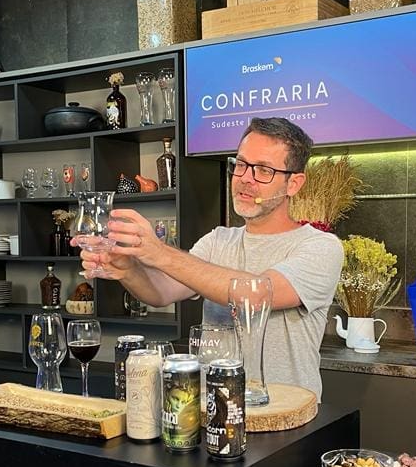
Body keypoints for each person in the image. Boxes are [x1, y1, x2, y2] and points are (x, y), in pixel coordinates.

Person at [79, 117, 344, 401]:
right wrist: (128, 268)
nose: (246, 179)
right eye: (241, 164)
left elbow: (256, 296)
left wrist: (159, 252)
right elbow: (161, 292)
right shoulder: (218, 240)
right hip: (213, 408)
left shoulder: (321, 247)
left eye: (263, 170)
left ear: (294, 183)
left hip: (285, 413)